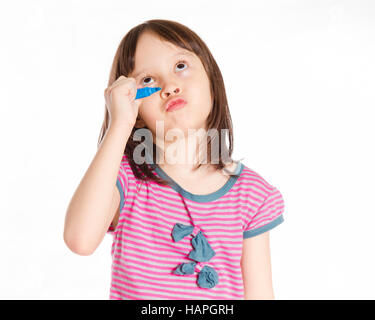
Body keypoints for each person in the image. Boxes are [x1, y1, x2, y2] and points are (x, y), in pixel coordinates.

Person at [63, 19, 285, 300]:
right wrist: (119, 124)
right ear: (137, 111)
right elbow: (79, 240)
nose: (169, 86)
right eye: (147, 81)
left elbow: (260, 295)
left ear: (212, 80)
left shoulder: (252, 195)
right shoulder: (127, 180)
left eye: (180, 66)